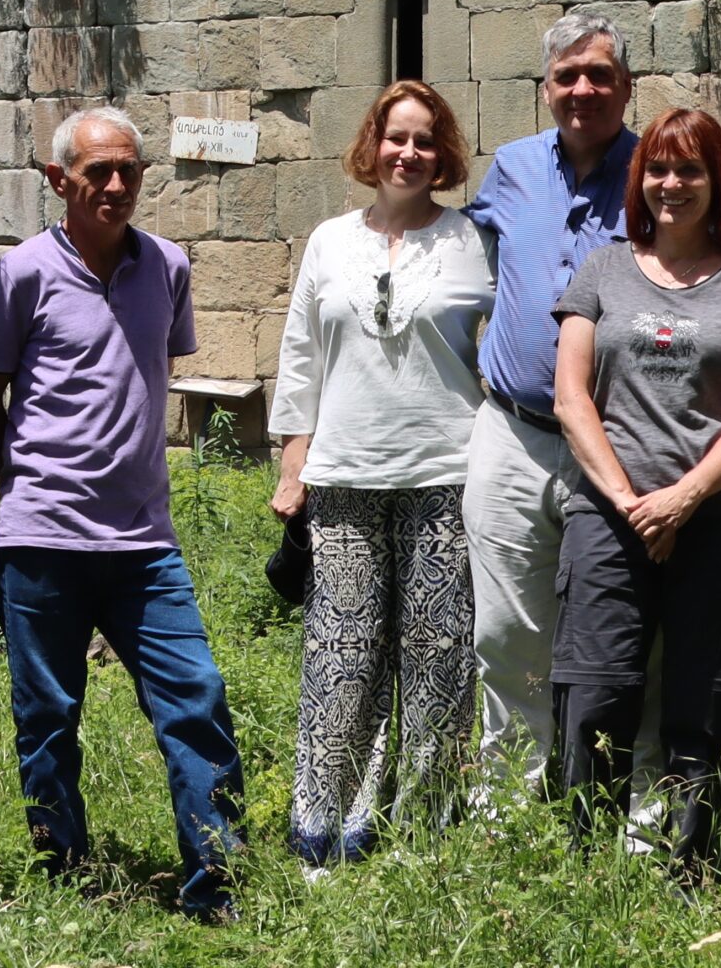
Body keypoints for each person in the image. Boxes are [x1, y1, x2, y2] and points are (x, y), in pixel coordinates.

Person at [0, 110, 246, 921]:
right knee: (47, 719)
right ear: (60, 182)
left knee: (195, 701)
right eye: (98, 174)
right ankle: (65, 875)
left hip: (144, 545)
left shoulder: (168, 267)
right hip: (42, 542)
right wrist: (21, 482)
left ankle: (214, 887)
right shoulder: (22, 275)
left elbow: (153, 369)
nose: (117, 187)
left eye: (130, 170)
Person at [551, 106, 721, 875]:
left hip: (720, 519)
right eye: (657, 167)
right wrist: (630, 501)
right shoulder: (602, 270)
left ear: (717, 179)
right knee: (597, 693)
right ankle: (590, 873)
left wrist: (684, 497)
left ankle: (687, 863)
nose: (671, 183)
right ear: (639, 178)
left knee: (704, 695)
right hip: (610, 516)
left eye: (689, 168)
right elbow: (571, 398)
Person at [269, 79, 494, 874]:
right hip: (344, 478)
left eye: (425, 139)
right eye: (396, 136)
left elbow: (497, 359)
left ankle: (424, 832)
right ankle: (327, 832)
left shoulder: (475, 242)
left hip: (448, 476)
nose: (409, 152)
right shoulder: (330, 240)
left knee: (438, 661)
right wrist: (293, 468)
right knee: (341, 658)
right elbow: (300, 360)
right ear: (373, 145)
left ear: (444, 154)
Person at [462, 9, 644, 784]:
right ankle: (511, 802)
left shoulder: (656, 171)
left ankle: (612, 791)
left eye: (599, 74)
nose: (583, 89)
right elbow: (464, 260)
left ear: (626, 87)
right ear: (545, 90)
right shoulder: (509, 169)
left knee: (615, 627)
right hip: (514, 431)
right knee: (507, 626)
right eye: (567, 76)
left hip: (621, 439)